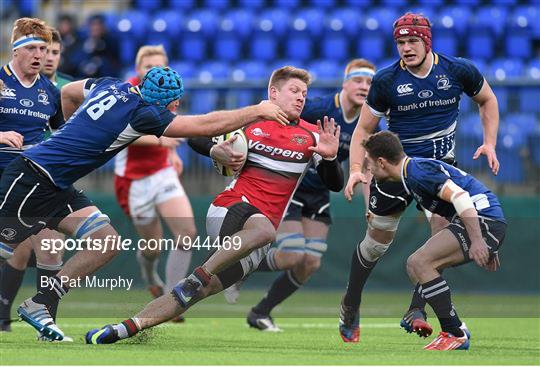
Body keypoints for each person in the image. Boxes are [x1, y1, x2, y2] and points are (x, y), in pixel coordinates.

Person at [0, 66, 288, 341]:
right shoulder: (145, 114)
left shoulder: (110, 85)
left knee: (106, 241)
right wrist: (256, 110)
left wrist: (76, 129)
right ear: (172, 104)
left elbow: (71, 93)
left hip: (58, 184)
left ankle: (42, 300)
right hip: (33, 178)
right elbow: (201, 125)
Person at [84, 66, 343, 344]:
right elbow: (198, 135)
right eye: (294, 91)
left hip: (254, 237)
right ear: (273, 93)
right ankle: (200, 274)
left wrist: (329, 158)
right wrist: (213, 149)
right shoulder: (250, 121)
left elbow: (335, 184)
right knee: (263, 233)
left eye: (304, 93)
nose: (301, 97)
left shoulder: (312, 136)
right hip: (230, 209)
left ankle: (122, 329)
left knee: (195, 293)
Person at [339, 12, 500, 343]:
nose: (406, 48)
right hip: (396, 170)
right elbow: (362, 132)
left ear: (427, 42)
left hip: (438, 167)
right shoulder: (386, 81)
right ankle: (351, 303)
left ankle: (416, 309)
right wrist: (356, 170)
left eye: (412, 41)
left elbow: (487, 100)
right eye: (400, 42)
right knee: (375, 244)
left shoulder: (458, 70)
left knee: (440, 230)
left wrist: (490, 143)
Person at [243, 59, 376, 331]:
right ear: (345, 83)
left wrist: (370, 207)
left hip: (319, 193)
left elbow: (369, 167)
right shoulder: (318, 107)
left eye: (370, 83)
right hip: (290, 186)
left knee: (310, 262)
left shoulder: (369, 122)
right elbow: (272, 114)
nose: (364, 87)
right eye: (359, 80)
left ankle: (260, 312)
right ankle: (238, 265)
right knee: (292, 254)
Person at [362, 131, 506, 350]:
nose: (369, 169)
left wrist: (478, 240)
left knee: (419, 262)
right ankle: (452, 326)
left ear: (381, 162)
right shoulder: (411, 173)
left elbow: (461, 196)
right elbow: (449, 212)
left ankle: (454, 332)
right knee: (420, 265)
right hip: (484, 221)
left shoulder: (417, 172)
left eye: (369, 163)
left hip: (483, 220)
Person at [114, 45, 195, 307]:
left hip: (162, 172)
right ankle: (150, 276)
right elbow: (117, 135)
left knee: (187, 233)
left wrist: (171, 155)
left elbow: (168, 127)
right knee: (153, 246)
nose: (154, 71)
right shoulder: (127, 93)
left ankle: (172, 299)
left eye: (160, 66)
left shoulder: (167, 89)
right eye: (149, 67)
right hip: (133, 179)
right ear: (138, 70)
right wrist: (160, 144)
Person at [0, 18, 66, 335]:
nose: (40, 54)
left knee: (51, 246)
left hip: (33, 181)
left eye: (44, 48)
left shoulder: (50, 92)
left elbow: (63, 134)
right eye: (32, 48)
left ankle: (45, 321)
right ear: (15, 50)